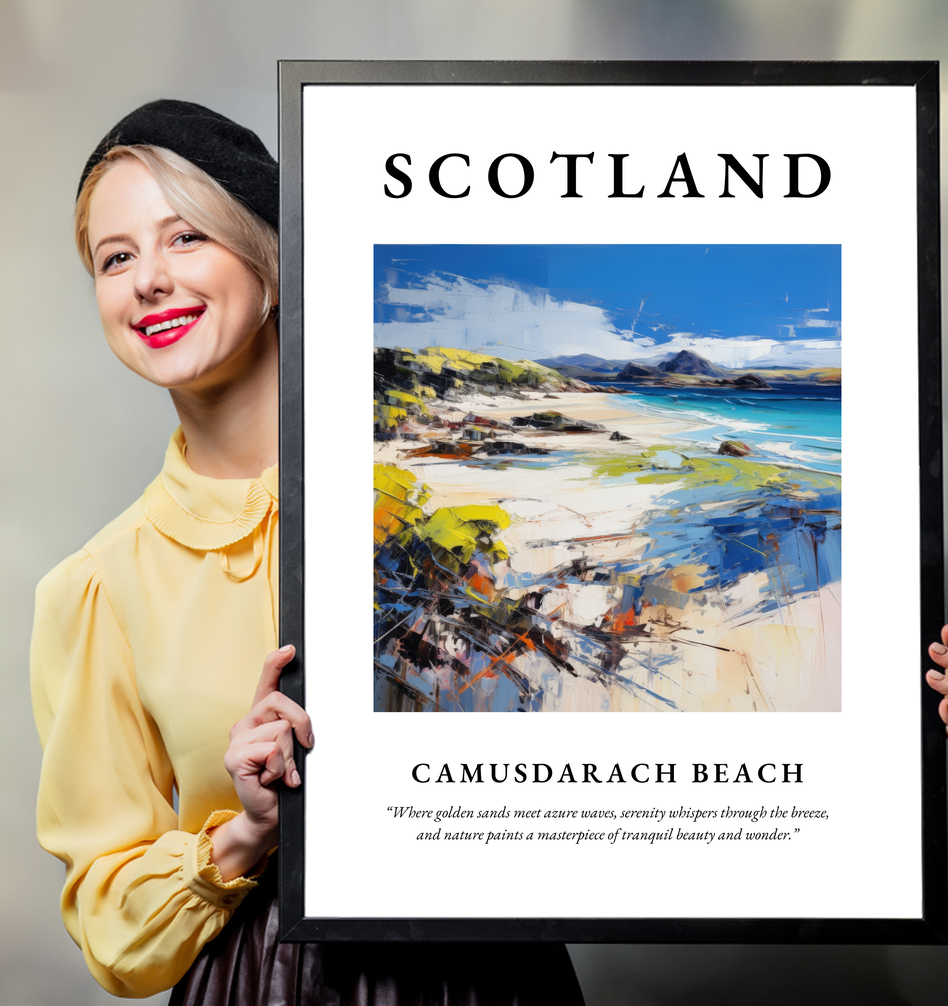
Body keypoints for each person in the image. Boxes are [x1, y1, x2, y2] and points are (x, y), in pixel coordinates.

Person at [30, 100, 586, 1004]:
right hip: (263, 981)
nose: (148, 281)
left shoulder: (445, 503)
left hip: (492, 973)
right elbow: (110, 923)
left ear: (272, 263)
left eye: (185, 238)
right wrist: (245, 832)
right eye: (116, 257)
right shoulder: (97, 587)